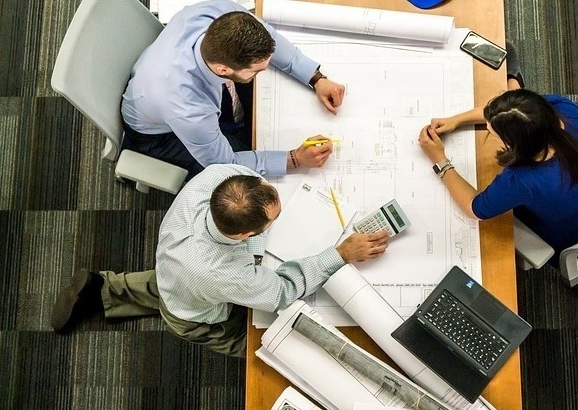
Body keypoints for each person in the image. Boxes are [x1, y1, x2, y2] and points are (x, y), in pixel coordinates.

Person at [50, 164, 390, 357]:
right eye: (272, 221)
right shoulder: (222, 272)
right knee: (263, 345)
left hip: (174, 267)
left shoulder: (219, 177)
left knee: (172, 284)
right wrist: (340, 254)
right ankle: (267, 351)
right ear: (245, 234)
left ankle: (103, 288)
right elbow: (282, 292)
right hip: (194, 314)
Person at [417, 43, 578, 265]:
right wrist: (456, 120)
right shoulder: (563, 109)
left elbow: (474, 208)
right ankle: (514, 82)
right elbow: (513, 114)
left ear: (515, 145)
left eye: (493, 133)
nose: (489, 132)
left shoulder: (521, 181)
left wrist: (440, 160)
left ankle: (513, 81)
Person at [121, 0, 347, 180]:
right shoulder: (188, 108)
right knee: (243, 176)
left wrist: (315, 78)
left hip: (160, 83)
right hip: (159, 136)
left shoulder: (220, 12)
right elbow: (225, 163)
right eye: (257, 70)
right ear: (223, 69)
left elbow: (269, 37)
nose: (264, 71)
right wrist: (294, 159)